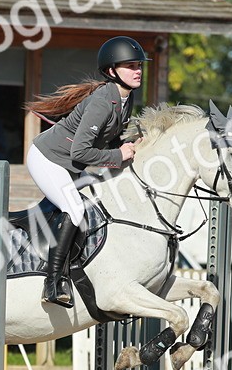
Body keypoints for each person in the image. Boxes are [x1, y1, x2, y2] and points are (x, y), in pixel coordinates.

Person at [25, 36, 147, 307]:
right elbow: (80, 152)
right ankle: (53, 283)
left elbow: (108, 139)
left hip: (70, 162)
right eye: (130, 65)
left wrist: (126, 146)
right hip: (49, 158)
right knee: (75, 208)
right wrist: (119, 155)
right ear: (112, 71)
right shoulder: (103, 101)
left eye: (139, 64)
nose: (138, 70)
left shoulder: (126, 98)